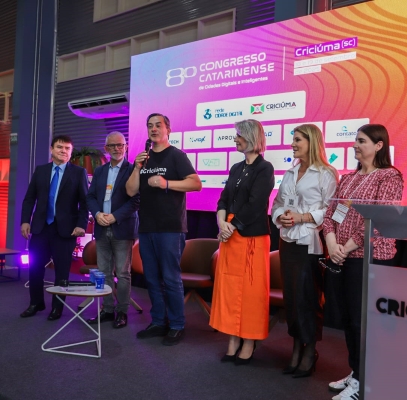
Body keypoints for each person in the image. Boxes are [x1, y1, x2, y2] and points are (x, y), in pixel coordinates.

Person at [323, 124, 403, 400]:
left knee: (365, 322)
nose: (355, 145)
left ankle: (366, 380)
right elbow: (331, 214)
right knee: (349, 319)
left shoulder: (389, 176)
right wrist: (331, 243)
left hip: (371, 259)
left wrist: (345, 248)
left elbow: (380, 219)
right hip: (342, 257)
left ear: (379, 145)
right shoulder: (348, 178)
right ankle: (357, 372)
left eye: (362, 141)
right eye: (355, 140)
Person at [126, 113, 202, 346]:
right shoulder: (144, 158)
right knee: (151, 278)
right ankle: (159, 321)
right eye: (150, 126)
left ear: (168, 129)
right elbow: (130, 191)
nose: (153, 129)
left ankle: (177, 325)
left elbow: (196, 183)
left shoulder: (177, 155)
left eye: (158, 125)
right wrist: (137, 168)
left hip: (170, 227)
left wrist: (166, 183)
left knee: (170, 278)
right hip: (146, 227)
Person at [271, 124, 338, 377]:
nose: (293, 144)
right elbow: (277, 203)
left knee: (307, 298)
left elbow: (330, 210)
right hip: (287, 241)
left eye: (298, 139)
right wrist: (281, 217)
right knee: (291, 298)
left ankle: (310, 350)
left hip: (310, 243)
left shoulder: (326, 173)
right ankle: (296, 346)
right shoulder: (290, 173)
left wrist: (303, 217)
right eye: (293, 139)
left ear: (311, 142)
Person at [209, 119, 274, 365]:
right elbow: (224, 199)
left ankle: (249, 341)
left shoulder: (264, 168)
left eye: (238, 135)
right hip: (229, 235)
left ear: (251, 137)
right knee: (229, 291)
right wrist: (221, 222)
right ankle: (233, 339)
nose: (235, 139)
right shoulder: (236, 167)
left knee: (250, 293)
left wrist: (232, 226)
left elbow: (256, 205)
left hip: (251, 237)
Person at [20, 135, 89, 320]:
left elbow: (85, 202)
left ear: (71, 152)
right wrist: (25, 221)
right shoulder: (41, 170)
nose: (63, 151)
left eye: (67, 148)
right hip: (41, 228)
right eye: (60, 147)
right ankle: (35, 303)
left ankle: (57, 308)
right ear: (51, 149)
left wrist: (81, 225)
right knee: (35, 267)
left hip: (66, 230)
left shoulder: (78, 173)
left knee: (62, 272)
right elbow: (29, 198)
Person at [85, 131, 140, 329]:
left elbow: (136, 199)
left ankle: (122, 312)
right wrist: (97, 213)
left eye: (120, 145)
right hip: (101, 227)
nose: (116, 149)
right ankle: (107, 309)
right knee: (104, 272)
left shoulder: (133, 169)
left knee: (123, 273)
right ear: (106, 148)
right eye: (112, 146)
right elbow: (90, 196)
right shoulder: (100, 171)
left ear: (126, 147)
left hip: (122, 227)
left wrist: (115, 216)